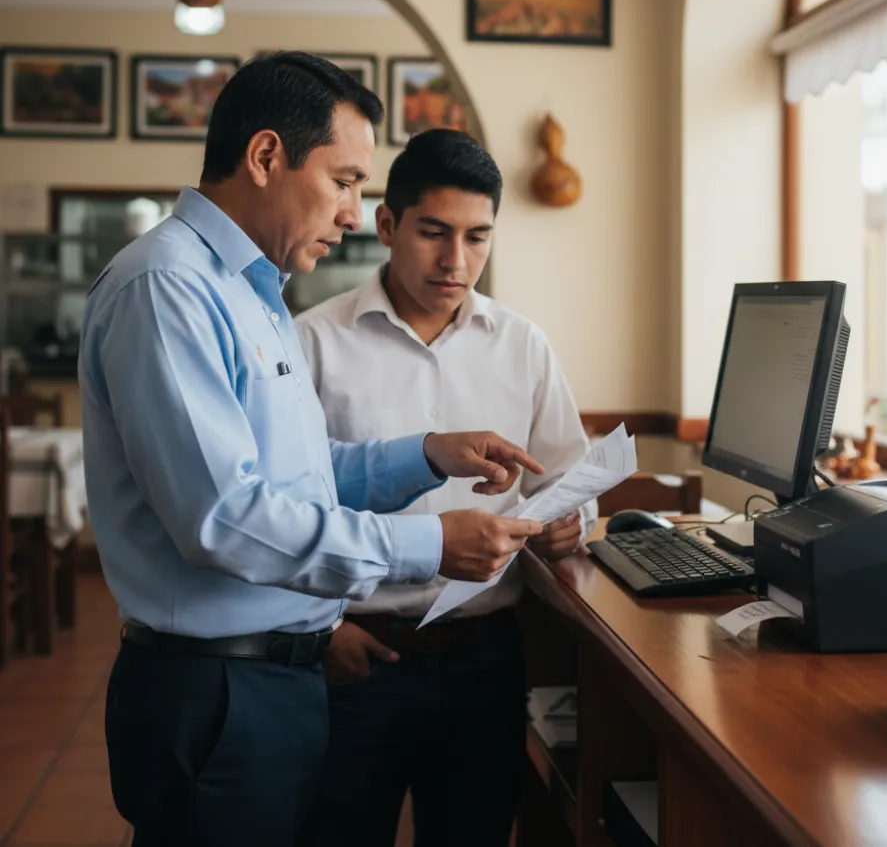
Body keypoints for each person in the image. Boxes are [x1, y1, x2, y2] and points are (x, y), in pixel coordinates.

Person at [78, 54, 545, 847]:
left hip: (275, 679)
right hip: (217, 687)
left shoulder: (252, 294)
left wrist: (427, 455)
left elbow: (303, 476)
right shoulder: (167, 289)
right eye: (345, 181)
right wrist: (428, 541)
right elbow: (226, 517)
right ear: (266, 157)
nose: (357, 213)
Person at [295, 128, 597, 847]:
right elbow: (287, 507)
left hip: (485, 656)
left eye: (477, 237)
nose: (455, 260)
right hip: (357, 654)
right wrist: (325, 630)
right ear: (388, 225)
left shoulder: (522, 343)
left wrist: (572, 520)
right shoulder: (312, 342)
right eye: (433, 232)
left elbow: (570, 477)